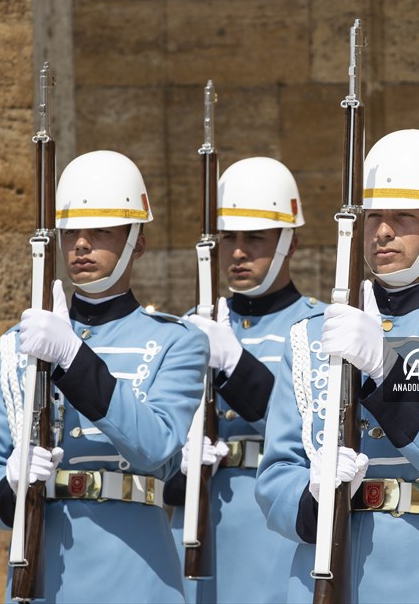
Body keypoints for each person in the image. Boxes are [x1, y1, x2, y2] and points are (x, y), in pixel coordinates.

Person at [255, 129, 419, 602]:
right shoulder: (308, 332)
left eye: (403, 216)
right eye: (374, 216)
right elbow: (275, 477)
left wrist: (388, 368)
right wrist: (311, 496)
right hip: (326, 574)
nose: (382, 231)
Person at [0, 150, 208, 603]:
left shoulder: (180, 342)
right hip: (43, 573)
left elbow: (155, 445)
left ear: (137, 240)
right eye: (72, 231)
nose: (80, 244)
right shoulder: (19, 345)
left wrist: (74, 358)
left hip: (136, 573)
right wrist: (10, 483)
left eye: (100, 231)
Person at [165, 156, 322, 603]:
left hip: (276, 529)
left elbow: (307, 429)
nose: (236, 252)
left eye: (254, 238)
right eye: (228, 238)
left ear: (289, 242)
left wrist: (235, 364)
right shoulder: (189, 328)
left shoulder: (317, 327)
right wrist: (176, 463)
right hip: (197, 526)